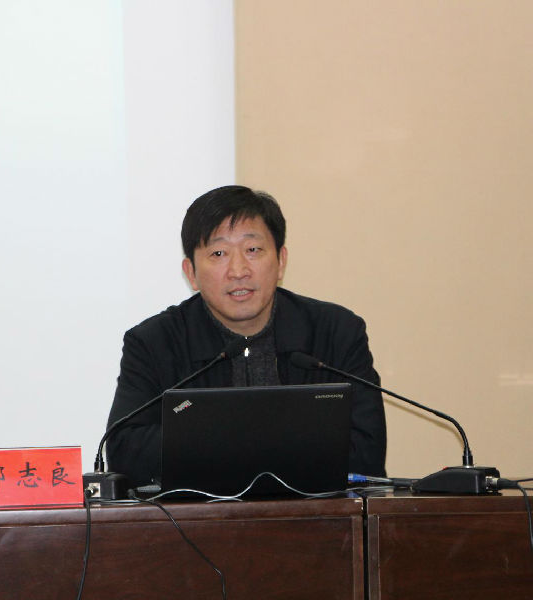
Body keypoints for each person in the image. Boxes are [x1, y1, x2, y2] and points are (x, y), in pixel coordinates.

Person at [106, 185, 387, 488]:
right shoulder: (154, 342)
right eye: (218, 253)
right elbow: (126, 451)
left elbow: (366, 452)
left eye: (253, 250)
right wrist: (268, 441)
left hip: (318, 514)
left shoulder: (336, 332)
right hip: (200, 515)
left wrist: (221, 444)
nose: (238, 270)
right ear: (191, 273)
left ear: (281, 261)